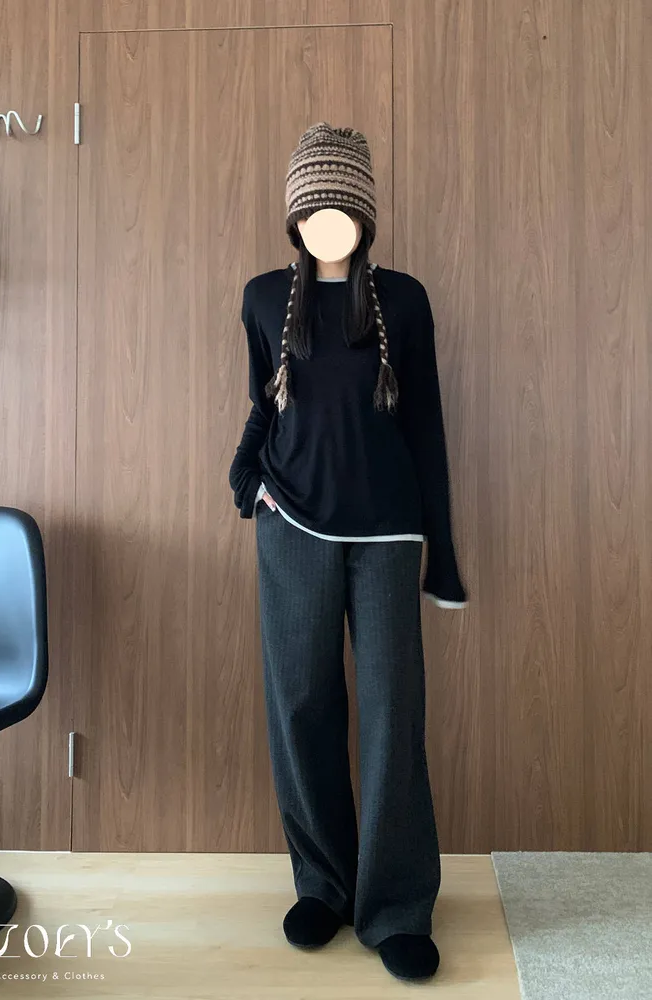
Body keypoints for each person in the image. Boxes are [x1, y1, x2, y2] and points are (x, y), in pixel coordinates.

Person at [228, 122, 468, 983]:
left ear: (365, 214)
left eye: (341, 207)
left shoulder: (404, 301)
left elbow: (426, 427)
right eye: (312, 209)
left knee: (393, 715)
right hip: (292, 525)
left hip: (388, 535)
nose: (327, 221)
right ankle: (323, 885)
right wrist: (246, 478)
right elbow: (266, 404)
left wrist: (443, 556)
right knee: (300, 705)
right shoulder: (263, 298)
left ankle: (396, 906)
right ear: (294, 219)